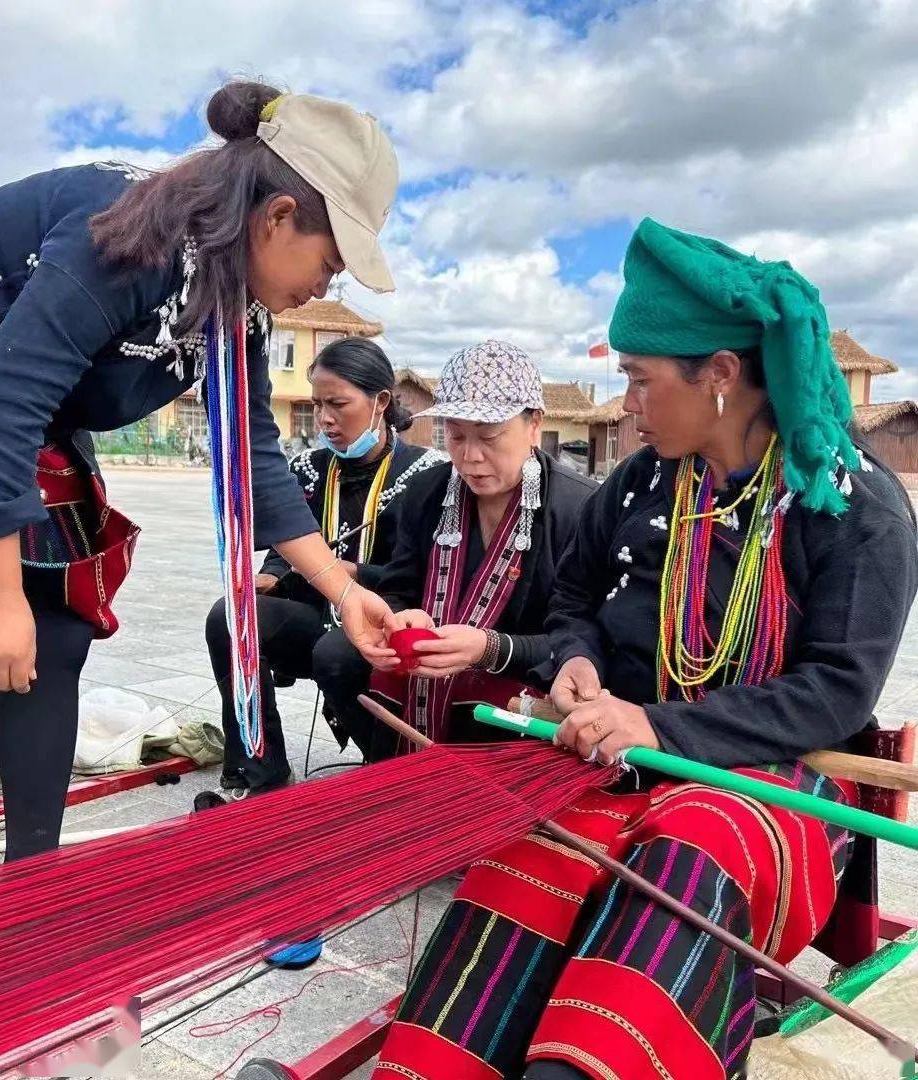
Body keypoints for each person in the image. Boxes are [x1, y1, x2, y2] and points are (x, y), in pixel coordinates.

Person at [373, 220, 917, 1080]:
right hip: (622, 753)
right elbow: (576, 599)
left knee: (685, 858)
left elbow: (835, 692)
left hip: (773, 775)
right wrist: (575, 660)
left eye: (639, 380)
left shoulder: (852, 506)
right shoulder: (643, 481)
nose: (625, 403)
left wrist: (657, 726)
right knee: (525, 853)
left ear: (722, 377)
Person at [0, 80, 401, 901]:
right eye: (331, 261)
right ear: (278, 217)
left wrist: (342, 593)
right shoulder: (131, 234)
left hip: (20, 421)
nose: (328, 286)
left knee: (58, 643)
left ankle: (30, 891)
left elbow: (254, 455)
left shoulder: (233, 305)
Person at [314, 341, 595, 762]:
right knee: (337, 654)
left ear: (534, 424)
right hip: (428, 668)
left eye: (489, 436)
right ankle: (388, 768)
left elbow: (585, 635)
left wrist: (489, 648)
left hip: (522, 679)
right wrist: (400, 617)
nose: (470, 457)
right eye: (456, 436)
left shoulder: (579, 509)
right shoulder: (428, 492)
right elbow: (398, 586)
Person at [206, 336, 444, 798]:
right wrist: (272, 574)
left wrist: (358, 575)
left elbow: (431, 570)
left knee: (336, 654)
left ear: (381, 402)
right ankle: (262, 770)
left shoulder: (429, 475)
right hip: (320, 613)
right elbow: (289, 536)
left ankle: (390, 773)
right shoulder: (308, 468)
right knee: (231, 617)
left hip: (388, 617)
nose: (325, 420)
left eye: (338, 403)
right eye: (317, 406)